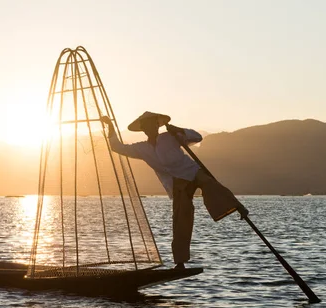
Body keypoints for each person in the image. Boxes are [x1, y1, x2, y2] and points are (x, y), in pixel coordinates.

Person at [101, 111, 248, 269]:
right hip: (177, 184)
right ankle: (180, 261)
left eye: (153, 125)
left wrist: (179, 130)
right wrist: (110, 126)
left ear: (157, 125)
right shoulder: (142, 148)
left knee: (212, 186)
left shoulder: (169, 137)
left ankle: (237, 206)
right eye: (147, 126)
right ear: (143, 129)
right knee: (181, 219)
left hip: (192, 171)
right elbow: (117, 147)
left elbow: (197, 137)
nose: (151, 128)